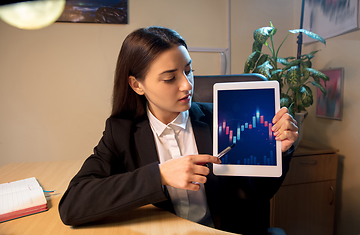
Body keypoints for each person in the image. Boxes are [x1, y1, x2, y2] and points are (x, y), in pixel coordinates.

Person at [59, 26, 298, 235]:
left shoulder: (220, 118)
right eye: (170, 78)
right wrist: (160, 174)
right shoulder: (121, 132)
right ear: (136, 85)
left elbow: (255, 195)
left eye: (188, 70)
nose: (187, 84)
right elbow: (73, 204)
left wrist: (279, 151)